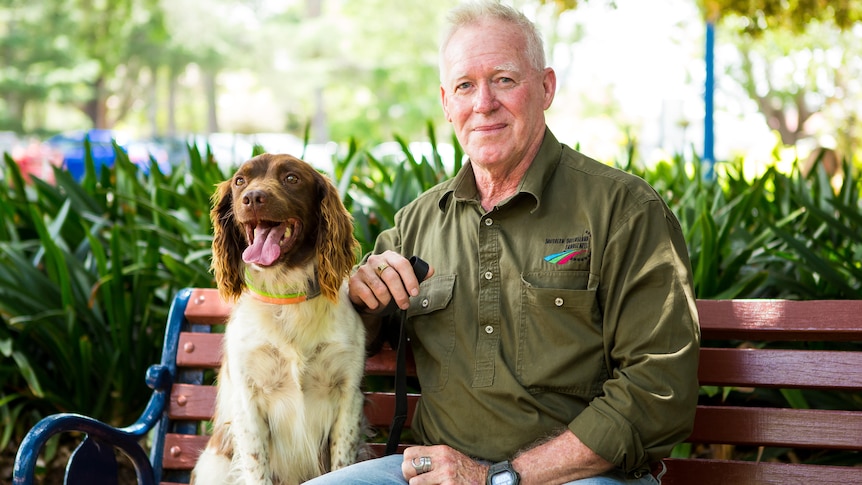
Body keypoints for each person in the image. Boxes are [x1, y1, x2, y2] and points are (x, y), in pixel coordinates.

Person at [306, 1, 700, 484]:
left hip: (578, 476)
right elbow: (344, 341)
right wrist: (360, 298)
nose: (483, 102)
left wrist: (501, 477)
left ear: (546, 87)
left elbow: (657, 387)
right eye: (465, 86)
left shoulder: (624, 209)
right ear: (446, 103)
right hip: (431, 472)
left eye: (505, 79)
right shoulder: (417, 222)